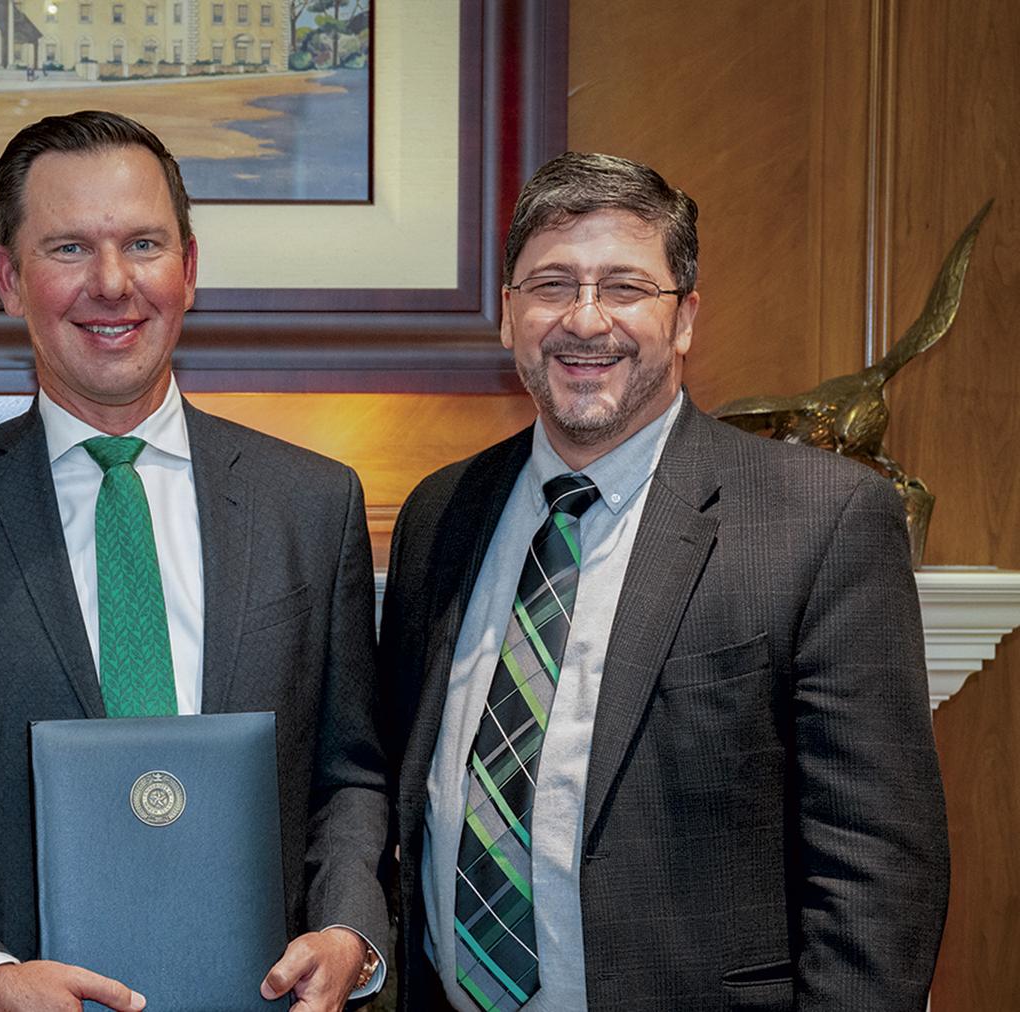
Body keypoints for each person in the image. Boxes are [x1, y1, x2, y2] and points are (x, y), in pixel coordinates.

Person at [0, 110, 389, 1012]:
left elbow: (351, 777)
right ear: (9, 278)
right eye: (67, 248)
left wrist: (348, 933)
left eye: (143, 243)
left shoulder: (313, 504)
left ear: (191, 267)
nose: (111, 283)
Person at [378, 151, 949, 1011]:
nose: (584, 318)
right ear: (508, 318)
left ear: (685, 318)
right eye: (551, 284)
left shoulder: (824, 521)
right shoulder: (441, 514)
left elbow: (877, 869)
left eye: (625, 287)